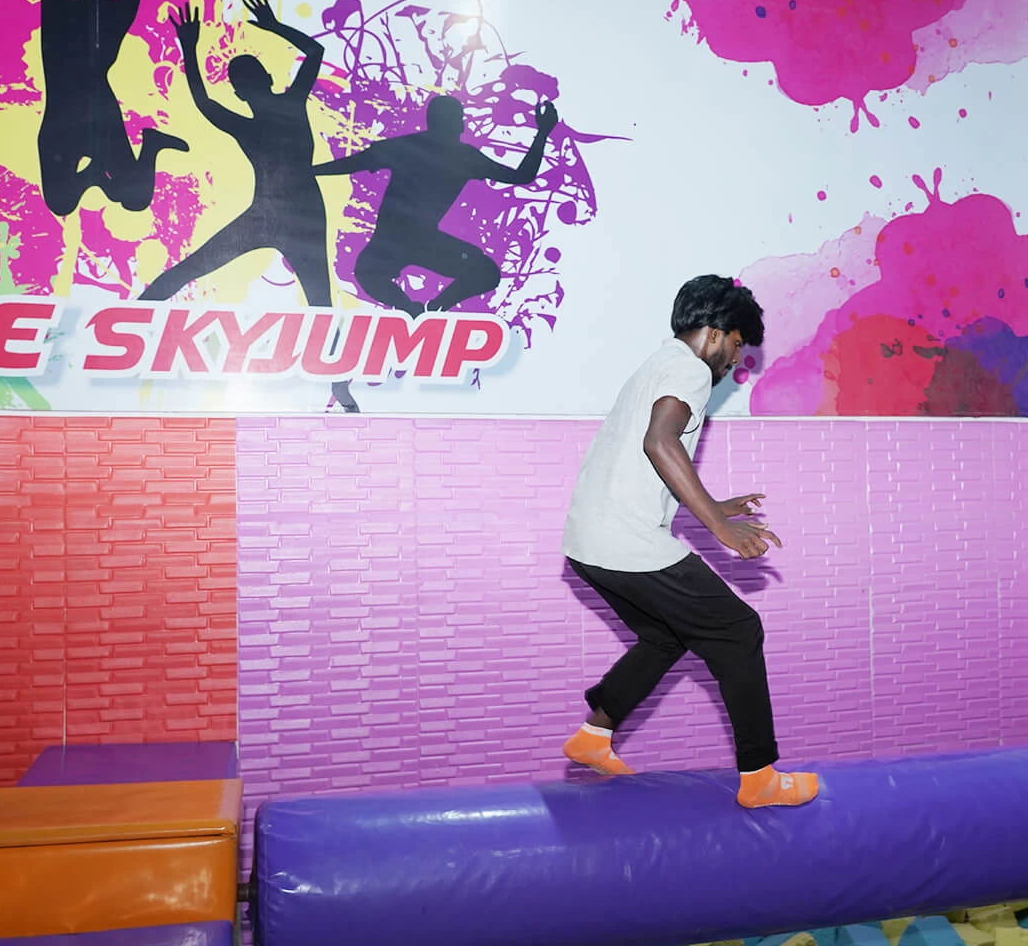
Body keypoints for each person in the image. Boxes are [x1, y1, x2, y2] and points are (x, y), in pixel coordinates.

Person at [560, 275, 818, 809]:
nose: (736, 361)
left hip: (589, 541)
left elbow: (642, 463)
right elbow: (660, 442)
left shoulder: (657, 364)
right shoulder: (690, 368)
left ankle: (593, 735)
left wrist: (716, 508)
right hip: (624, 540)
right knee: (739, 630)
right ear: (718, 333)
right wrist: (721, 532)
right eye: (739, 345)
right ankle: (760, 777)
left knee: (664, 636)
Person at [141, 0, 354, 412]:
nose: (246, 85)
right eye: (243, 80)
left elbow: (314, 52)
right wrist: (269, 26)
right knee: (196, 269)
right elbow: (314, 52)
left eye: (247, 77)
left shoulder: (281, 108)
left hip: (298, 215)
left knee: (321, 303)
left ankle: (341, 387)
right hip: (273, 213)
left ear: (250, 86)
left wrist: (191, 45)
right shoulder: (269, 114)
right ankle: (133, 315)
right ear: (243, 91)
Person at [2, 0, 186, 216]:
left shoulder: (76, 6)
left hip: (93, 116)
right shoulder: (72, 7)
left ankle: (130, 156)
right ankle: (94, 175)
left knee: (133, 198)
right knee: (63, 203)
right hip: (66, 117)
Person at [314, 94, 558, 316]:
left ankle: (430, 309)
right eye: (460, 119)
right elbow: (521, 175)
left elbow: (353, 163)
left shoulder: (428, 150)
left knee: (485, 273)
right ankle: (421, 309)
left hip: (418, 240)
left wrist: (312, 171)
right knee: (368, 272)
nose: (463, 125)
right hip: (398, 241)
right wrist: (542, 133)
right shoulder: (458, 156)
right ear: (451, 123)